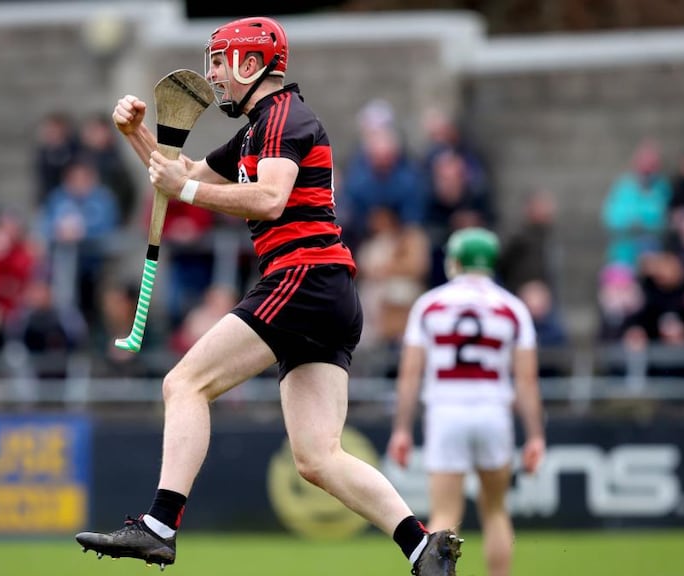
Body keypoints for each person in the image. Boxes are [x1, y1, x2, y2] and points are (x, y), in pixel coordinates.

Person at [75, 16, 463, 576]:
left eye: (219, 62)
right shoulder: (258, 127)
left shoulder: (284, 117)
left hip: (302, 277)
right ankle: (423, 548)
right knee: (317, 457)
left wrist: (183, 186)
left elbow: (269, 199)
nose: (213, 75)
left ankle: (158, 525)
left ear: (250, 64)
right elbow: (182, 174)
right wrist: (136, 134)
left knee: (184, 383)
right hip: (326, 292)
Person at [386, 228, 545, 576]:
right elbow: (527, 380)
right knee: (496, 511)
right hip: (492, 411)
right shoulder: (512, 308)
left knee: (445, 516)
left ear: (454, 261)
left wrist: (401, 429)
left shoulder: (429, 305)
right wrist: (535, 435)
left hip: (446, 412)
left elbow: (410, 374)